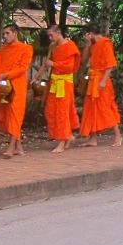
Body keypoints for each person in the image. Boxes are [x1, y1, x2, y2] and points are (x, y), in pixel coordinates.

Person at [78, 24, 123, 147]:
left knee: (106, 107)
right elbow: (84, 59)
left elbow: (110, 64)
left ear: (90, 34)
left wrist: (103, 80)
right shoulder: (93, 45)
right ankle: (93, 138)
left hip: (102, 80)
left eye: (87, 35)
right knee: (91, 108)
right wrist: (87, 44)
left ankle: (118, 135)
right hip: (93, 80)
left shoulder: (105, 43)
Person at [0, 24, 34, 158]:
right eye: (4, 34)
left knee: (15, 116)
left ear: (15, 33)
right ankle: (19, 147)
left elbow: (23, 68)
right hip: (3, 86)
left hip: (17, 85)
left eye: (7, 33)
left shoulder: (26, 49)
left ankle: (11, 148)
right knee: (6, 116)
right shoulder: (3, 49)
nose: (5, 36)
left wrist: (6, 75)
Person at [42, 25, 81, 153]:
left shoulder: (70, 46)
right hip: (55, 82)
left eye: (51, 35)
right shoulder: (54, 47)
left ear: (59, 33)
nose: (50, 38)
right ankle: (67, 136)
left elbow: (69, 67)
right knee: (50, 110)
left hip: (64, 83)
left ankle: (63, 140)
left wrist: (53, 64)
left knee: (62, 111)